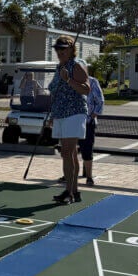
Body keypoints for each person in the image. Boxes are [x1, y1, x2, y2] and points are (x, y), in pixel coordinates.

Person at [48, 35, 90, 205]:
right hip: (60, 114)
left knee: (66, 152)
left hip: (74, 113)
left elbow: (86, 90)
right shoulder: (60, 67)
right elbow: (55, 91)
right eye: (57, 48)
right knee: (70, 153)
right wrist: (52, 114)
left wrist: (68, 79)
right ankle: (74, 191)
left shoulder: (77, 65)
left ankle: (69, 192)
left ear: (71, 49)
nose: (59, 52)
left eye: (63, 48)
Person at [81, 75, 104, 186]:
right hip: (72, 122)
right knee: (70, 150)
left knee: (87, 150)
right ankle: (68, 174)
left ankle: (89, 177)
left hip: (88, 123)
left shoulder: (92, 81)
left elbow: (100, 101)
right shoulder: (69, 80)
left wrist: (92, 116)